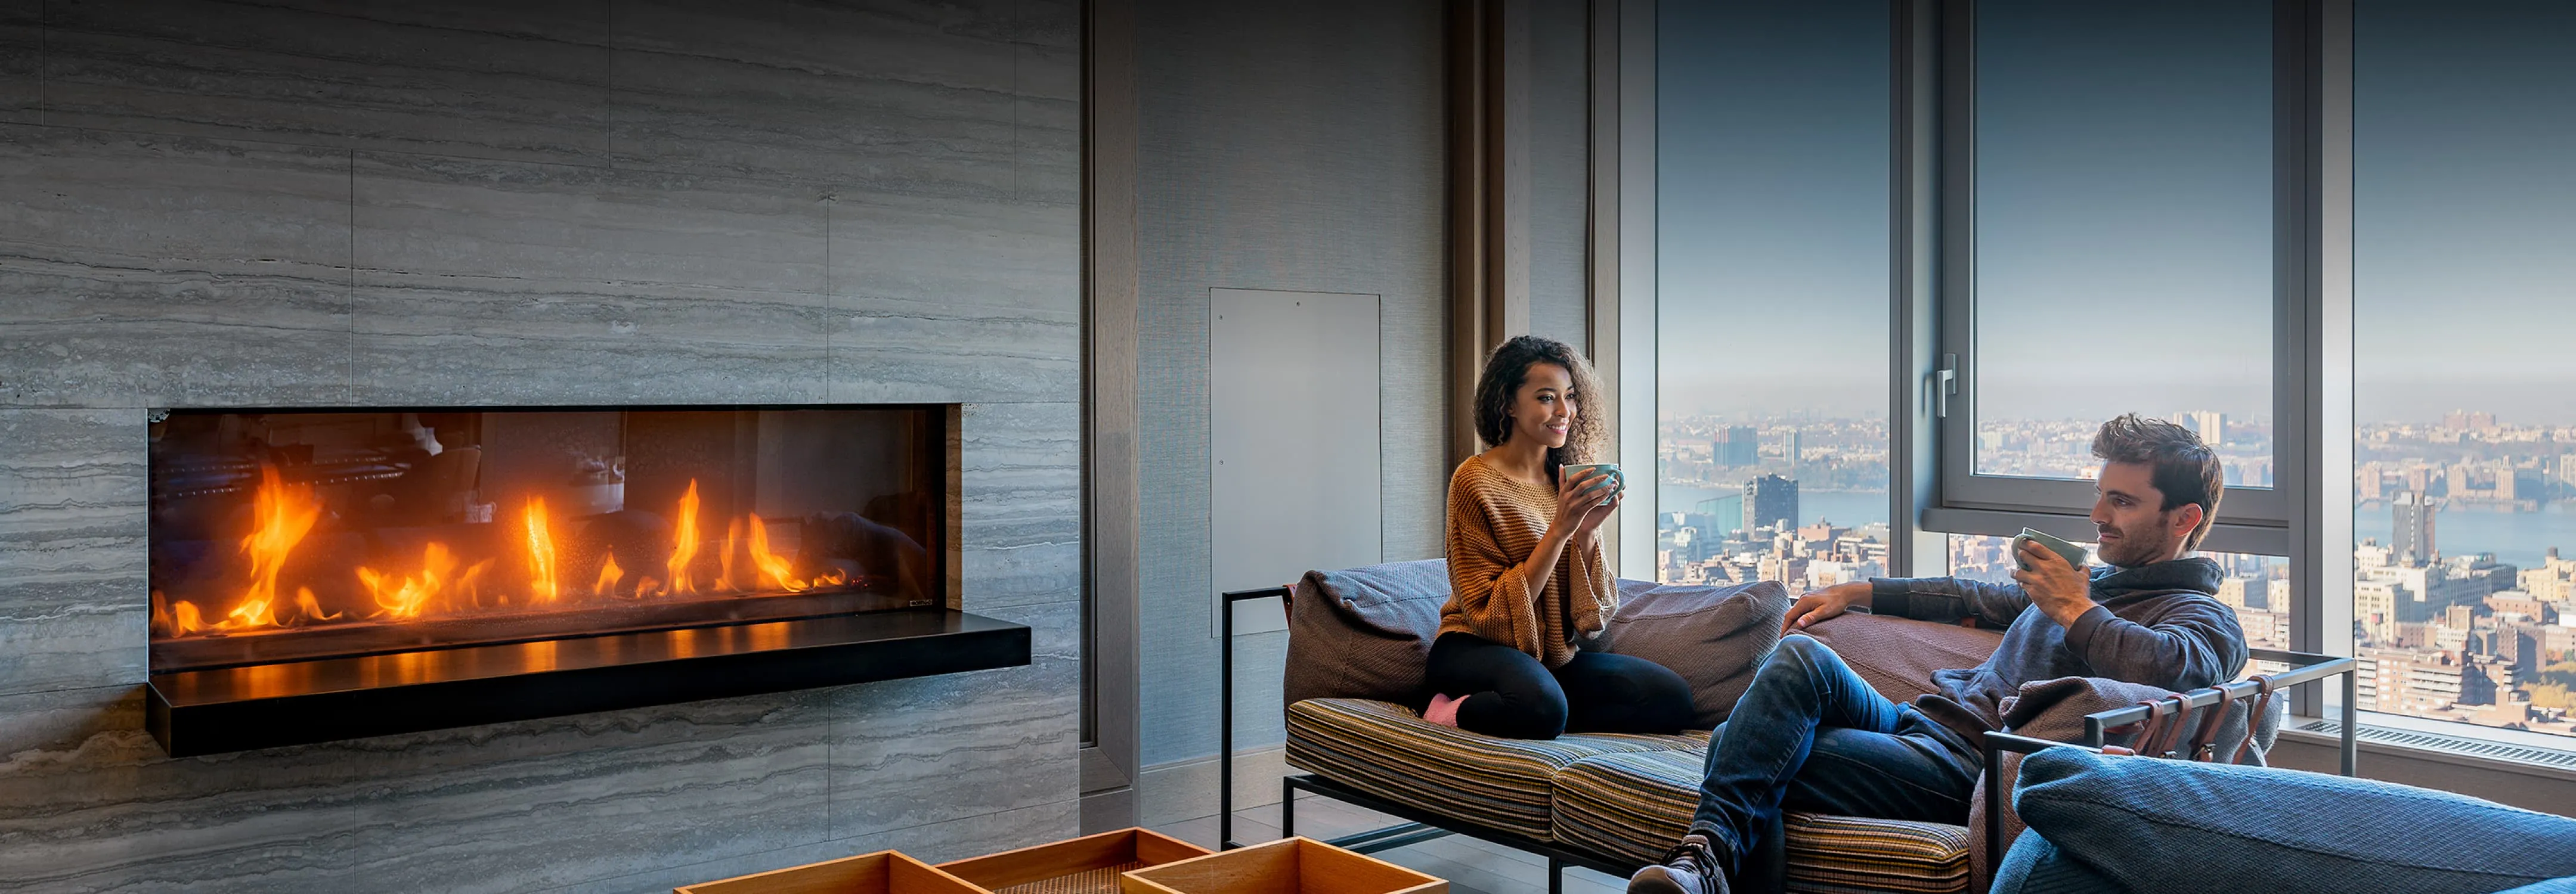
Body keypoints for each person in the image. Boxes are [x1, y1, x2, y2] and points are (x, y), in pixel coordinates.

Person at [1629, 414, 2249, 894]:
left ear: (2184, 519)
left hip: (1968, 771)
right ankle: (1703, 868)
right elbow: (1972, 595)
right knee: (1798, 658)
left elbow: (2176, 669)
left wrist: (2074, 609)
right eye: (2101, 495)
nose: (2097, 516)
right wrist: (1860, 590)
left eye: (2123, 502)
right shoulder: (2098, 582)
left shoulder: (2204, 617)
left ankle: (1701, 865)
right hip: (1921, 727)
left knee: (1741, 747)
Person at [1428, 336, 1698, 740]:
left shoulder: (1566, 480)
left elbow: (1592, 620)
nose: (1564, 411)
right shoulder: (1475, 481)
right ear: (1508, 404)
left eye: (1570, 397)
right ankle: (1449, 711)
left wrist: (1587, 532)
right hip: (1473, 647)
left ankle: (1544, 705)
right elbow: (1491, 617)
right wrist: (1560, 530)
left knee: (1672, 699)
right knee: (1541, 708)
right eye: (1546, 398)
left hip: (1548, 657)